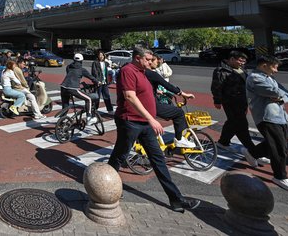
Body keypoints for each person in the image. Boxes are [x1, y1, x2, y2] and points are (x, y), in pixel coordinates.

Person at [107, 47, 200, 213]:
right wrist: (151, 118)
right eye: (148, 60)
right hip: (130, 122)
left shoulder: (143, 71)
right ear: (137, 58)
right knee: (120, 155)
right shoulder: (128, 71)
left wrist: (180, 94)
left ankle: (176, 199)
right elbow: (130, 96)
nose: (152, 63)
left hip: (144, 124)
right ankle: (107, 188)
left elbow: (162, 83)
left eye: (152, 60)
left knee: (158, 159)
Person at [243, 55, 288, 193]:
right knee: (279, 147)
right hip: (266, 116)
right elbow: (273, 91)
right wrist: (279, 96)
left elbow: (285, 93)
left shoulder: (269, 78)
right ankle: (280, 176)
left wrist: (279, 97)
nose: (276, 70)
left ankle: (252, 153)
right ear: (264, 65)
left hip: (279, 116)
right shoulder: (255, 78)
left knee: (282, 141)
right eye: (274, 66)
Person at [147, 56, 196, 148]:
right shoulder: (152, 74)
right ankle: (179, 139)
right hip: (152, 104)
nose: (157, 63)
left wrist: (156, 91)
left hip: (145, 103)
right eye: (155, 61)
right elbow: (167, 85)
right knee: (179, 113)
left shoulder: (141, 73)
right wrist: (183, 94)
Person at [60, 54, 100, 124]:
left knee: (65, 106)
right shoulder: (82, 69)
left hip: (63, 87)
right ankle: (89, 118)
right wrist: (97, 82)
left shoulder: (69, 67)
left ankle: (62, 122)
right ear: (81, 61)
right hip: (73, 88)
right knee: (88, 99)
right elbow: (91, 77)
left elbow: (71, 75)